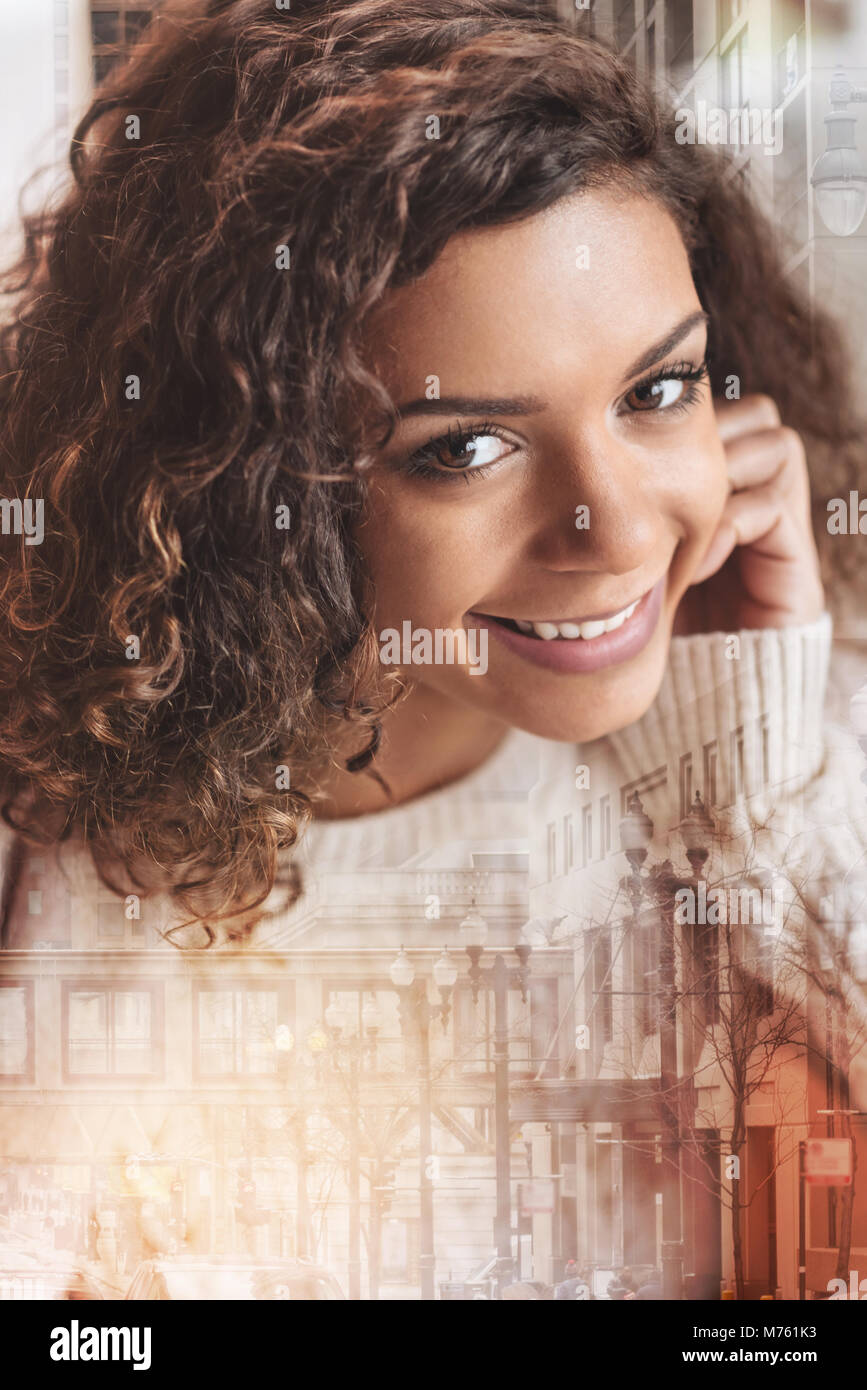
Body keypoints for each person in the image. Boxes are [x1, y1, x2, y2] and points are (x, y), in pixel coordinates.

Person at [0, 0, 865, 1297]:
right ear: (250, 495)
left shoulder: (796, 752)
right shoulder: (61, 850)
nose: (618, 526)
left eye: (658, 389)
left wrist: (763, 793)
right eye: (464, 447)